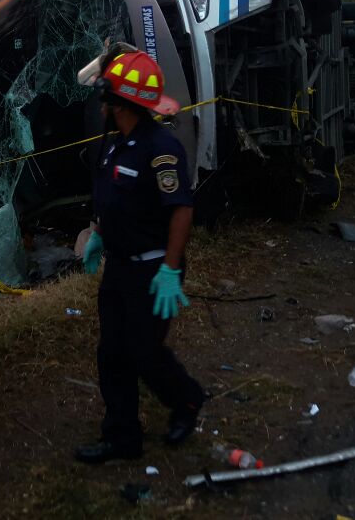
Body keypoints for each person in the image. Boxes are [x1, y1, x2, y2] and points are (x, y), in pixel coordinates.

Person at [74, 48, 205, 464]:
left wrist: (169, 268)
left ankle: (186, 400)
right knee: (111, 352)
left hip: (152, 269)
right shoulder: (115, 147)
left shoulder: (160, 149)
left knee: (145, 353)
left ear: (122, 103)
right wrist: (97, 234)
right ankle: (122, 437)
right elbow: (111, 200)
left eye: (106, 96)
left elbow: (181, 208)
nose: (102, 104)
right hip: (118, 266)